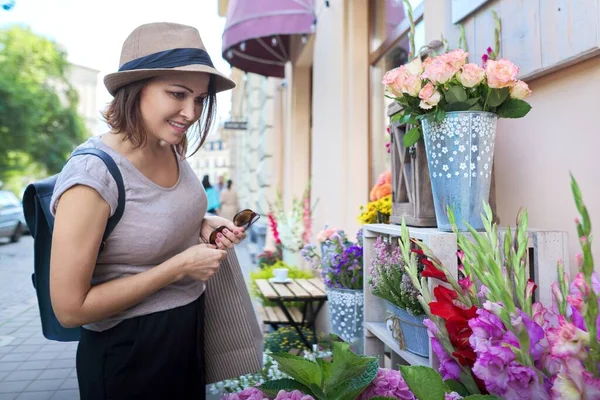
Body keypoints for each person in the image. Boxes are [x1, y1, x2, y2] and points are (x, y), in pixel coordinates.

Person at [48, 22, 258, 400]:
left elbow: (160, 214)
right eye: (177, 94)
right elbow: (69, 309)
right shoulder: (92, 175)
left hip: (187, 332)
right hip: (129, 352)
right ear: (135, 88)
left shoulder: (169, 145)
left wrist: (204, 225)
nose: (191, 111)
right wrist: (179, 267)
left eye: (199, 98)